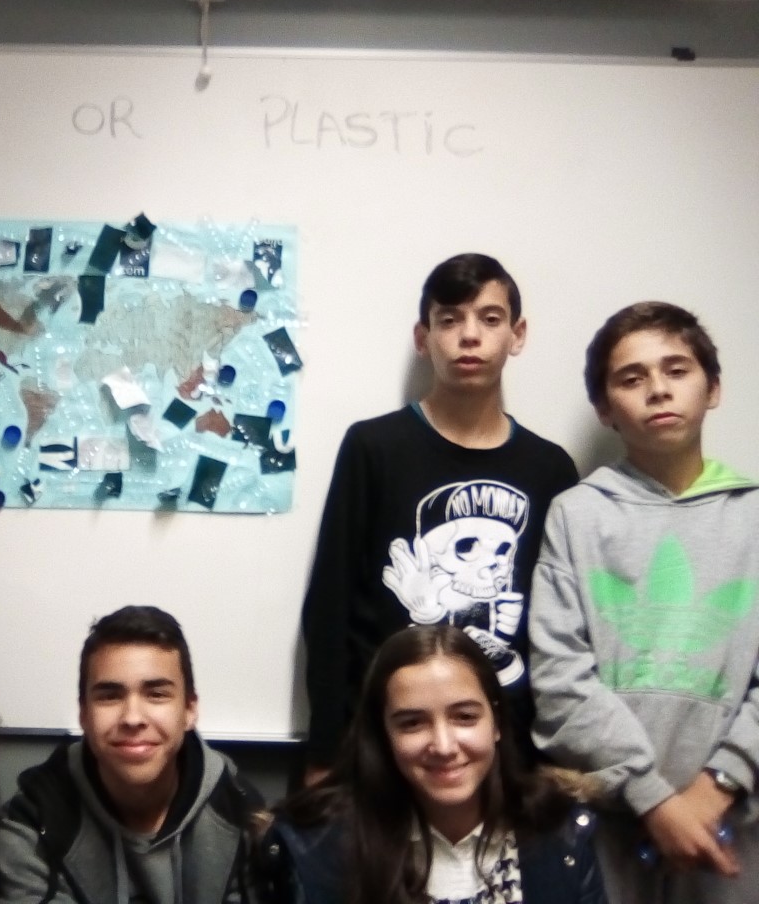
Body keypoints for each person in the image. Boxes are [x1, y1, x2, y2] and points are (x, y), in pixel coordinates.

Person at [302, 253, 578, 783]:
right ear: (422, 337)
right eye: (449, 319)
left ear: (517, 334)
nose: (469, 335)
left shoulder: (550, 469)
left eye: (490, 318)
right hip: (385, 744)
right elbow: (330, 606)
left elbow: (563, 625)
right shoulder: (374, 448)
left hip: (508, 751)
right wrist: (324, 753)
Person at [529, 302, 759, 904]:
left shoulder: (754, 515)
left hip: (734, 827)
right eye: (631, 378)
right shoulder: (576, 515)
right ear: (604, 409)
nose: (658, 389)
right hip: (606, 830)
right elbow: (559, 681)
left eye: (676, 370)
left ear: (713, 388)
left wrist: (719, 783)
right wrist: (653, 797)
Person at [263, 624, 607, 904]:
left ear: (496, 723)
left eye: (464, 717)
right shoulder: (314, 847)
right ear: (382, 734)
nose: (443, 746)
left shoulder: (559, 832)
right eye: (412, 723)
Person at [0, 605, 261, 904]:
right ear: (83, 714)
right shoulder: (33, 822)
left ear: (189, 709)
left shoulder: (241, 814)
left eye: (156, 694)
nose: (133, 718)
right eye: (110, 696)